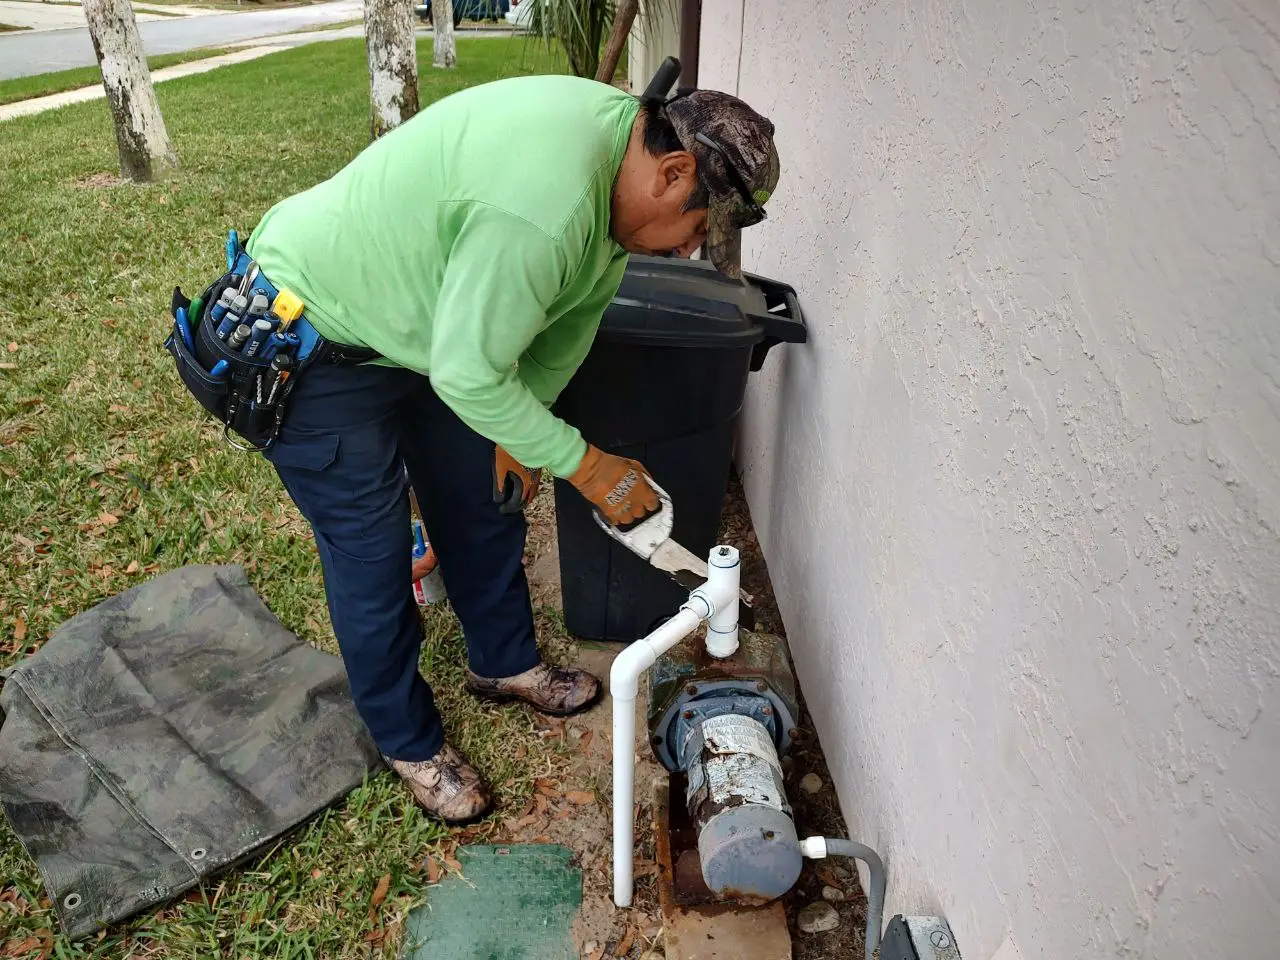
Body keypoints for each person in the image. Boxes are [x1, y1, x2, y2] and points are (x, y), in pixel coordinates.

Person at [242, 73, 780, 823]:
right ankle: (409, 743)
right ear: (674, 172)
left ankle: (502, 665)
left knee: (481, 491)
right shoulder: (547, 208)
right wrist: (588, 466)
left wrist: (526, 433)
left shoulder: (617, 164)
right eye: (695, 233)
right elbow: (469, 374)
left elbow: (568, 326)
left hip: (420, 327)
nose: (690, 253)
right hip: (312, 327)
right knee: (371, 554)